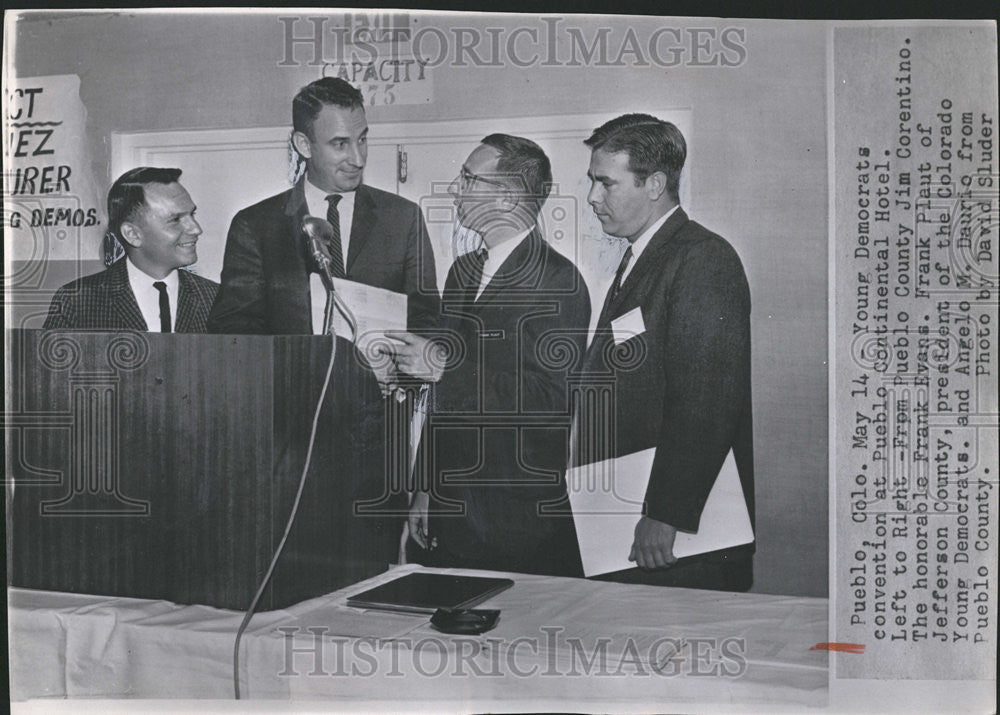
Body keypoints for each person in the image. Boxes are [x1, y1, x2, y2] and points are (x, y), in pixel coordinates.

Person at [578, 113, 755, 591]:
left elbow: (707, 398)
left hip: (678, 540)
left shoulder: (702, 258)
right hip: (633, 521)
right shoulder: (643, 258)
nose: (593, 198)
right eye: (592, 182)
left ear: (654, 184)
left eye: (605, 183)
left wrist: (665, 512)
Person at [400, 134, 590, 577]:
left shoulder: (560, 281)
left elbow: (549, 401)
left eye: (468, 178)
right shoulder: (462, 271)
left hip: (515, 524)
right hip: (449, 513)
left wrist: (445, 368)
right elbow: (439, 397)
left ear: (505, 196)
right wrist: (424, 489)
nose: (454, 188)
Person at [207, 77, 438, 335]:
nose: (358, 159)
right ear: (304, 145)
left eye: (362, 140)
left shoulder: (404, 218)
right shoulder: (255, 226)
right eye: (340, 144)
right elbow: (234, 330)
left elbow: (425, 318)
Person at [44, 167, 217, 331]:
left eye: (192, 214)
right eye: (175, 220)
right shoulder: (77, 300)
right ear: (132, 234)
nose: (196, 229)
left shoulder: (215, 298)